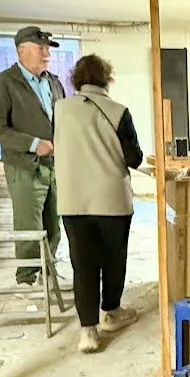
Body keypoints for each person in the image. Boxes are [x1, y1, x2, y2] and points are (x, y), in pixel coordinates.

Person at [53, 54, 144, 354]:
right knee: (113, 259)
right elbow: (133, 158)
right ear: (107, 78)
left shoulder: (60, 109)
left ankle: (88, 332)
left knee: (83, 264)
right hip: (111, 201)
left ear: (76, 79)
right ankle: (112, 313)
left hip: (73, 201)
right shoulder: (118, 111)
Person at [0, 27, 65, 285]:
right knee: (29, 225)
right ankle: (27, 278)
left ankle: (48, 273)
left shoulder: (53, 81)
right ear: (21, 51)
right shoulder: (4, 83)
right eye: (41, 48)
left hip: (54, 165)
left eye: (47, 48)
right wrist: (32, 144)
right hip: (24, 166)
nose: (46, 53)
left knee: (54, 222)